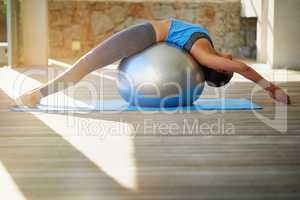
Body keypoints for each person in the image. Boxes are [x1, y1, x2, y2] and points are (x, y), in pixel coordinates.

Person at [14, 18, 290, 107]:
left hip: (144, 36)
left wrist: (270, 87)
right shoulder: (205, 49)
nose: (231, 59)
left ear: (218, 68)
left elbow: (241, 68)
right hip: (146, 38)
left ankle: (38, 94)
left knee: (87, 64)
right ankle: (40, 93)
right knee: (87, 64)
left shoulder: (205, 55)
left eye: (225, 65)